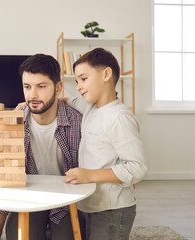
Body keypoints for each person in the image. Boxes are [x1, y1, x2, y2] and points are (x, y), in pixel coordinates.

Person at [0, 54, 82, 240]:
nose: (33, 95)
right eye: (27, 87)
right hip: (29, 198)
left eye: (41, 86)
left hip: (66, 201)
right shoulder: (13, 122)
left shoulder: (77, 123)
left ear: (58, 87)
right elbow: (4, 185)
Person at [62, 48, 147, 240]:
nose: (78, 86)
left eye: (83, 79)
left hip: (112, 210)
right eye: (76, 82)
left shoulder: (120, 118)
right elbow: (72, 100)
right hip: (89, 204)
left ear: (106, 74)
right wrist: (52, 99)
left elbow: (138, 168)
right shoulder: (91, 107)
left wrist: (90, 175)